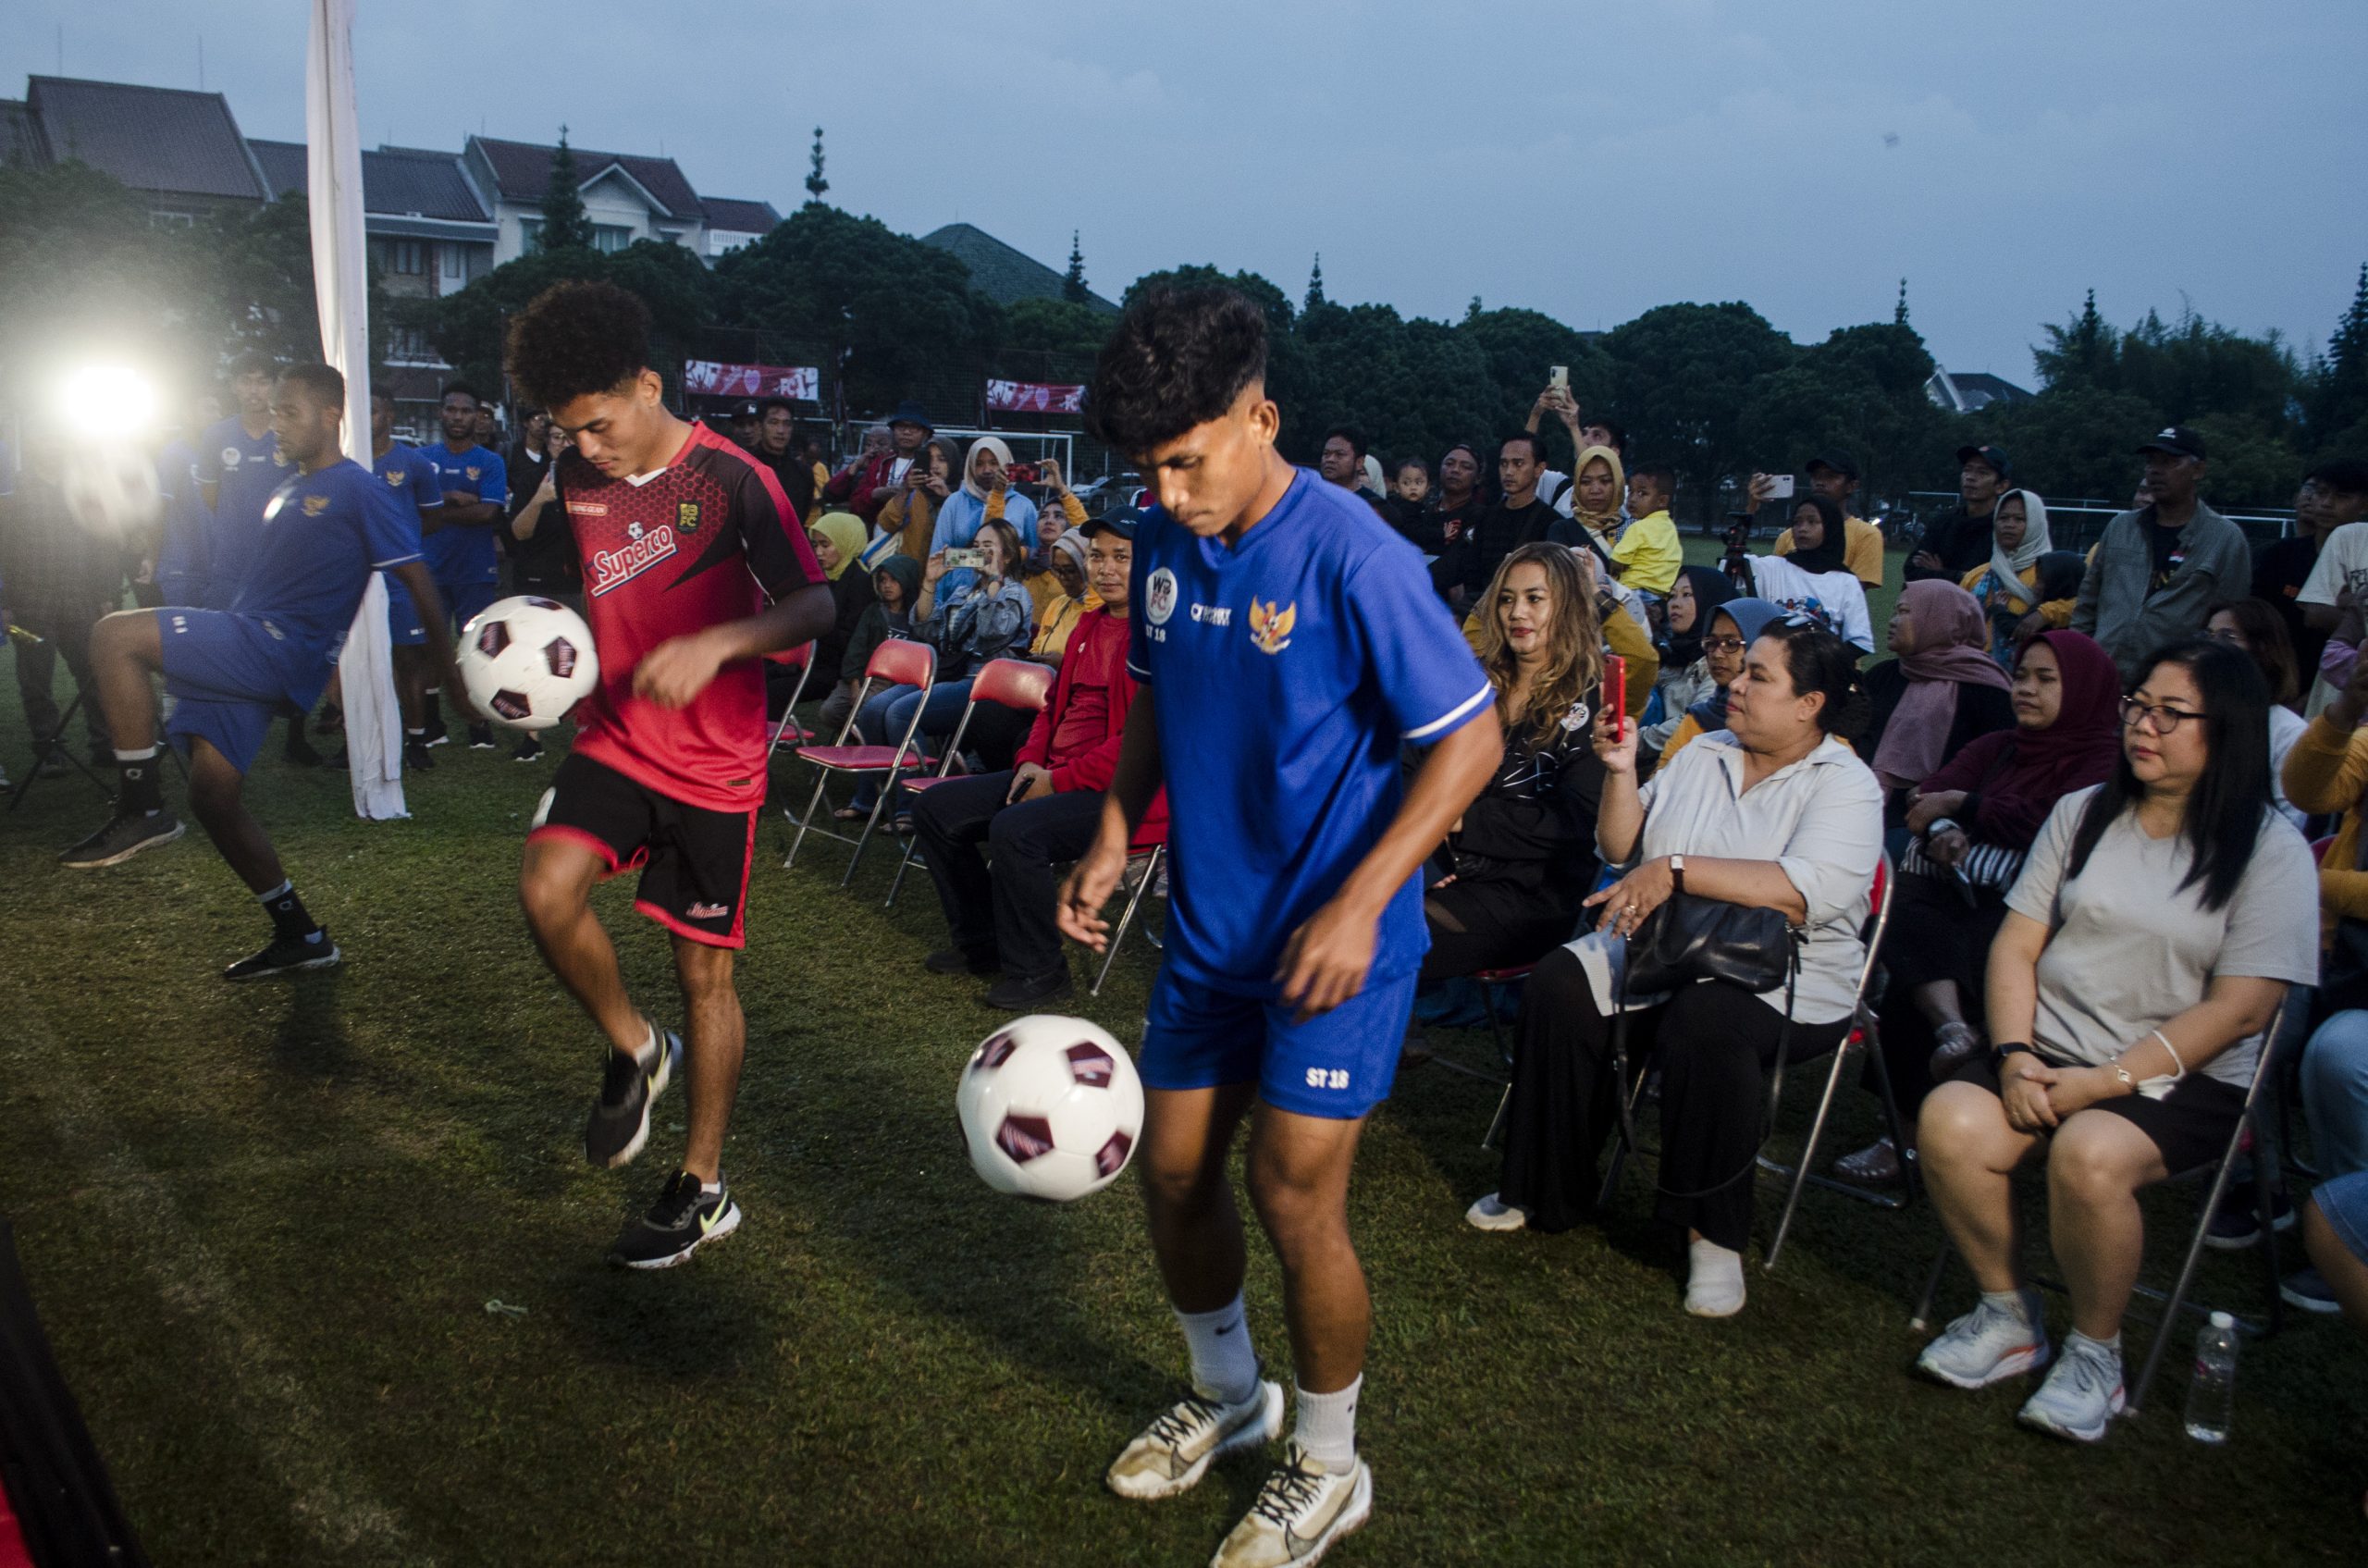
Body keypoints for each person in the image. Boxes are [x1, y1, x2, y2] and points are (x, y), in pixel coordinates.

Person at [1058, 285, 1500, 1566]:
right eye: (1151, 467)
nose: (1172, 488)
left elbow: (1469, 739)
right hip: (1210, 931)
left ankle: (1329, 1456)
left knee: (1292, 1193)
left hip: (1336, 945)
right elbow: (1152, 688)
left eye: (1189, 458)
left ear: (1263, 415)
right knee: (1176, 1166)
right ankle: (1226, 1389)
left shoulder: (1357, 552)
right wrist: (1110, 825)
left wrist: (1364, 902)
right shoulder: (1158, 531)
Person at [503, 280, 832, 1268]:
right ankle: (635, 1048)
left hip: (715, 763)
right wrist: (538, 651)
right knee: (545, 889)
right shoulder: (574, 477)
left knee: (705, 975)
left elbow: (814, 608)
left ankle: (703, 1185)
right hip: (615, 735)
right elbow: (604, 591)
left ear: (648, 385)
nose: (588, 449)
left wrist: (722, 643)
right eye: (571, 433)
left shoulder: (734, 479)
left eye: (599, 425)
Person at [1913, 638, 2316, 1443]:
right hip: (2049, 1049)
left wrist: (2106, 1081)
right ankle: (2008, 1313)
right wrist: (2016, 1053)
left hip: (2183, 1075)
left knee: (2089, 1153)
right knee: (1950, 1119)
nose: (2144, 725)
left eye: (2172, 713)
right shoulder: (2086, 811)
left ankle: (2096, 1352)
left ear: (2227, 729)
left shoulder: (2269, 850)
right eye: (2138, 704)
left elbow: (2242, 1009)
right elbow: (2017, 945)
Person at [1465, 618, 1882, 1321]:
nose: (1737, 683)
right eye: (1741, 667)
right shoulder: (1702, 752)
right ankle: (1544, 1188)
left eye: (1759, 675)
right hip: (1668, 947)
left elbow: (1811, 890)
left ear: (1810, 704)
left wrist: (1679, 871)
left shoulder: (1846, 783)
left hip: (1787, 978)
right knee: (1562, 981)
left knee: (1707, 1018)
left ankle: (1712, 1234)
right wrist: (1623, 772)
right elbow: (1622, 845)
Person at [57, 364, 468, 975]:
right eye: (273, 410)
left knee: (113, 635)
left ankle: (142, 805)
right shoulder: (287, 487)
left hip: (275, 648)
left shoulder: (359, 488)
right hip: (252, 641)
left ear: (331, 415)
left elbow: (418, 580)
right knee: (213, 796)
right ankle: (300, 935)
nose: (275, 423)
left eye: (289, 411)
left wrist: (451, 673)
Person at [1832, 631, 2124, 1185]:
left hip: (2038, 918)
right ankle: (1949, 1043)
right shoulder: (2000, 746)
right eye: (2021, 676)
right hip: (1954, 897)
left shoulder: (2104, 761)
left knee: (1934, 942)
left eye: (2046, 679)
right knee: (1904, 908)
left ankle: (1921, 1111)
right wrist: (1943, 824)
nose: (2026, 690)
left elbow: (2057, 823)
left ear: (2084, 688)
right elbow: (1924, 799)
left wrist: (1967, 807)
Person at [913, 513, 1151, 1008]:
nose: (1105, 569)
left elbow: (1141, 745)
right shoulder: (1087, 624)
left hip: (1122, 795)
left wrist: (1058, 780)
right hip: (1054, 774)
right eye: (1098, 556)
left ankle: (1041, 971)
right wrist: (1029, 762)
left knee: (1017, 830)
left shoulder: (1159, 641)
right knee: (936, 808)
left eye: (1122, 557)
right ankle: (985, 945)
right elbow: (1053, 709)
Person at [1420, 543, 1607, 980]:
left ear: (1567, 607)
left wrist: (1460, 820)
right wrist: (1427, 855)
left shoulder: (1593, 705)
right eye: (1507, 599)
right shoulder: (1470, 682)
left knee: (1386, 935)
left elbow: (1574, 824)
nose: (1516, 612)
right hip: (1442, 865)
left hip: (1533, 892)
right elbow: (1410, 766)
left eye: (1534, 599)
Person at [2282, 654, 2368, 1312]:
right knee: (2265, 1016)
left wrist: (2318, 884)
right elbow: (2309, 789)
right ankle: (2336, 1213)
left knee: (2339, 1051)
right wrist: (2343, 711)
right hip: (2347, 959)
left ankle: (2349, 1227)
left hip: (2345, 955)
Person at [852, 518, 1034, 822]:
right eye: (976, 547)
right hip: (948, 674)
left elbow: (992, 632)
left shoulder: (1015, 594)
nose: (979, 552)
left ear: (1008, 555)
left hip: (983, 684)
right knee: (874, 707)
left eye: (988, 547)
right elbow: (926, 629)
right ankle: (870, 798)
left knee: (900, 713)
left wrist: (994, 582)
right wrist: (930, 582)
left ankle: (914, 806)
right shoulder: (964, 591)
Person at [2072, 427, 2252, 680]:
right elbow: (2088, 599)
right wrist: (2080, 654)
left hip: (2175, 682)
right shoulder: (2121, 527)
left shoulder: (2225, 538)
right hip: (2105, 674)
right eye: (2151, 462)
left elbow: (2230, 619)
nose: (2155, 471)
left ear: (2198, 470)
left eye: (2169, 463)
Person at [1, 429, 123, 770]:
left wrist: (104, 595)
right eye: (43, 437)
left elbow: (100, 542)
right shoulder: (15, 488)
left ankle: (103, 744)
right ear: (32, 443)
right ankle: (48, 749)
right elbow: (5, 544)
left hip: (79, 598)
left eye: (56, 438)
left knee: (92, 672)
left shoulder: (80, 487)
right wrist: (5, 602)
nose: (50, 444)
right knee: (35, 679)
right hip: (30, 602)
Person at [1863, 580, 2016, 832]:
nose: (1893, 621)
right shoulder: (1883, 676)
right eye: (1895, 612)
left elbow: (1997, 768)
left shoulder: (1987, 689)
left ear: (1940, 619)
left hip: (1939, 823)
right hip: (1864, 806)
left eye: (1904, 612)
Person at [416, 383, 509, 749]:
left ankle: (478, 724)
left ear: (476, 416)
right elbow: (413, 509)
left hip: (475, 569)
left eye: (465, 411)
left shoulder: (490, 461)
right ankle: (432, 722)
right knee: (428, 648)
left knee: (477, 647)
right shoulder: (421, 459)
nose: (458, 417)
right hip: (430, 569)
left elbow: (487, 511)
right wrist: (452, 498)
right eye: (451, 409)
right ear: (441, 412)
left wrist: (436, 509)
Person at [366, 389, 446, 772]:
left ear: (389, 414)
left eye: (374, 410)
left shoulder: (412, 464)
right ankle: (359, 741)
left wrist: (402, 542)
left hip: (399, 579)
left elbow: (431, 517)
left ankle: (417, 739)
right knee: (359, 661)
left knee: (408, 658)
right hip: (357, 576)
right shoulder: (348, 462)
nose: (368, 417)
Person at [2205, 599, 2307, 829]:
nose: (2210, 646)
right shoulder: (2189, 714)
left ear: (2263, 649)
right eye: (2208, 635)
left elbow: (2289, 822)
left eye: (2226, 637)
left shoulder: (2289, 731)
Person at [1653, 597, 1787, 766]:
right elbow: (1660, 784)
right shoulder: (1698, 721)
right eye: (1711, 643)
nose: (1717, 654)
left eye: (1731, 643)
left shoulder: (1794, 723)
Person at [1744, 495, 1875, 651]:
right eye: (1797, 522)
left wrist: (1824, 664)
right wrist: (1751, 508)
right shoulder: (1772, 567)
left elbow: (1860, 641)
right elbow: (1734, 563)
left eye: (1812, 522)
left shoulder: (1846, 582)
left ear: (1830, 527)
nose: (1802, 528)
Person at [2287, 459, 2368, 711]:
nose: (2326, 503)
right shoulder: (2350, 537)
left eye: (2341, 496)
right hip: (2335, 701)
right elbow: (2315, 613)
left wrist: (2354, 604)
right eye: (2321, 493)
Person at [1959, 488, 2074, 663]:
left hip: (2030, 672)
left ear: (2036, 523)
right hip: (1973, 671)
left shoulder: (2055, 573)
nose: (2009, 525)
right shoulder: (1977, 576)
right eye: (2003, 518)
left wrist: (2045, 614)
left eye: (2019, 519)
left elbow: (2083, 607)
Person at [1641, 565, 1739, 767]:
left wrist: (1634, 741)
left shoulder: (1719, 664)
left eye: (1687, 595)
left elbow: (1697, 720)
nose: (1675, 604)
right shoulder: (1669, 654)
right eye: (1672, 596)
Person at [1446, 432, 1559, 607]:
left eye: (1518, 464)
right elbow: (1471, 573)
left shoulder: (1551, 522)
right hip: (1480, 609)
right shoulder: (1485, 517)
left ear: (1539, 469)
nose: (1509, 472)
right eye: (1503, 464)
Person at [819, 554, 920, 747]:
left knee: (868, 707)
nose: (887, 585)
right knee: (829, 711)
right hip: (863, 676)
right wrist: (854, 682)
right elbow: (856, 649)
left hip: (894, 681)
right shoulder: (873, 612)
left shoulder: (914, 617)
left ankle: (871, 744)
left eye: (894, 580)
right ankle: (857, 735)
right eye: (882, 580)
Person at [1768, 451, 1885, 589]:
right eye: (1815, 476)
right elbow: (1776, 584)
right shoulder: (1789, 536)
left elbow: (1855, 592)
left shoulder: (1866, 534)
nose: (1820, 482)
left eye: (1831, 476)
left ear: (1851, 486)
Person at [1906, 444, 2011, 583]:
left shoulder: (2005, 529)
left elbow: (1992, 582)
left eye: (1982, 472)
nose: (1970, 477)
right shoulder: (1943, 523)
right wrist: (1961, 576)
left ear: (2001, 486)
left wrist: (1941, 573)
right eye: (1967, 470)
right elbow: (1911, 570)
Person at [805, 512, 875, 701]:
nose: (818, 552)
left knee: (775, 690)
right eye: (815, 545)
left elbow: (849, 636)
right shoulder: (822, 575)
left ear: (845, 543)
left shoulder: (860, 582)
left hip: (836, 666)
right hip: (813, 657)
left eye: (825, 545)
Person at [826, 401, 932, 525]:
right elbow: (855, 504)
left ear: (925, 433)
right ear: (893, 430)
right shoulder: (881, 463)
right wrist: (875, 494)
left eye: (914, 428)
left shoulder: (931, 464)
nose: (907, 432)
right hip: (876, 533)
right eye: (901, 427)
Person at [930, 437, 1040, 553]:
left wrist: (1012, 558)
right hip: (959, 572)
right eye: (979, 464)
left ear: (1006, 464)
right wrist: (983, 559)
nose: (987, 470)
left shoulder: (1023, 505)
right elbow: (938, 556)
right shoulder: (955, 502)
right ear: (971, 467)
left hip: (1009, 572)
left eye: (994, 463)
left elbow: (1034, 554)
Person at [870, 435, 959, 566]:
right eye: (929, 459)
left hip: (949, 580)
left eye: (942, 459)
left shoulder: (965, 497)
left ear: (953, 462)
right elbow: (886, 524)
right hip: (911, 578)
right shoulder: (915, 494)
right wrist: (905, 490)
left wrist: (948, 498)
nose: (934, 466)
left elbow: (973, 552)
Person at [1547, 444, 1625, 570]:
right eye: (1585, 482)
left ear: (1618, 484)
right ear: (1576, 486)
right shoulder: (1562, 530)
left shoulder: (1635, 529)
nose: (1595, 490)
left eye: (1605, 481)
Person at [1610, 463, 1683, 598]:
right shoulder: (1670, 528)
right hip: (1661, 594)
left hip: (1633, 590)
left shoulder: (1637, 528)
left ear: (1662, 501)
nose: (1632, 499)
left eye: (1642, 493)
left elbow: (1617, 561)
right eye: (1631, 491)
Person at [754, 397, 817, 523]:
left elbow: (801, 517)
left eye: (786, 424)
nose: (781, 431)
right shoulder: (745, 469)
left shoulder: (803, 473)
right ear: (760, 426)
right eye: (773, 422)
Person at [1317, 426, 1383, 513]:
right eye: (1326, 453)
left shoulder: (1372, 506)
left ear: (1359, 462)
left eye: (1339, 454)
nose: (1330, 459)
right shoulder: (1310, 498)